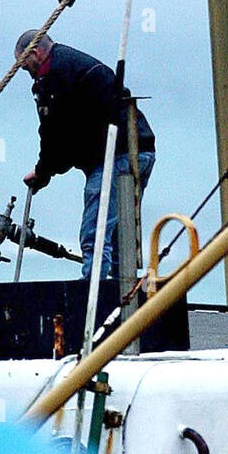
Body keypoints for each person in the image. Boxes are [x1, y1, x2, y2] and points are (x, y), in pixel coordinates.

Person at [17, 30, 156, 282]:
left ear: (35, 54)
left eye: (27, 68)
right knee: (119, 229)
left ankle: (93, 291)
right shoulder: (72, 67)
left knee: (97, 229)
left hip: (116, 154)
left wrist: (43, 171)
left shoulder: (56, 76)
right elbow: (67, 133)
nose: (30, 76)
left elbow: (54, 132)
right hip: (140, 147)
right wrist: (47, 170)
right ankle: (120, 289)